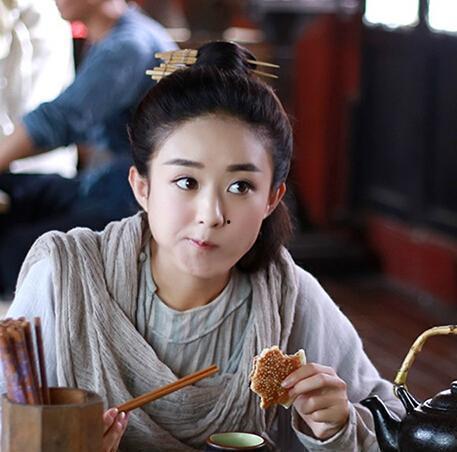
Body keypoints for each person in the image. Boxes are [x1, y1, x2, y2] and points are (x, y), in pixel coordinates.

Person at [1, 41, 403, 451]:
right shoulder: (65, 278)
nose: (211, 214)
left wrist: (336, 427)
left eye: (240, 186)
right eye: (186, 182)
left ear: (272, 198)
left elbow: (393, 425)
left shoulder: (289, 298)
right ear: (142, 186)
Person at [0, 0, 176, 296]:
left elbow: (60, 120)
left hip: (133, 202)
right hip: (103, 183)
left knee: (12, 250)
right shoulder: (114, 36)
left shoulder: (128, 46)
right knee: (12, 189)